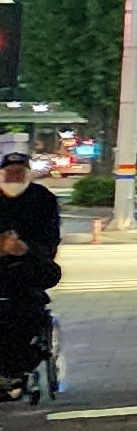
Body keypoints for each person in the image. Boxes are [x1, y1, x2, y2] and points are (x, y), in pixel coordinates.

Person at [0, 152, 62, 401]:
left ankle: (15, 370)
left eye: (19, 172)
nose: (14, 176)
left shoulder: (42, 198)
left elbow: (50, 241)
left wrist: (25, 249)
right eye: (10, 172)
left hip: (27, 273)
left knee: (23, 313)